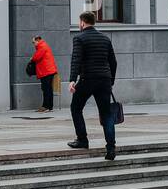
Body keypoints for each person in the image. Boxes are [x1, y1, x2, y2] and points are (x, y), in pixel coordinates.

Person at [67, 11, 118, 160]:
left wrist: (72, 80)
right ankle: (111, 148)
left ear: (82, 22)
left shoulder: (79, 38)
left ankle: (82, 140)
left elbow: (76, 60)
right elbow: (113, 62)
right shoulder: (105, 39)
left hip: (87, 79)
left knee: (76, 108)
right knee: (106, 113)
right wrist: (111, 80)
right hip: (104, 80)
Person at [30, 35, 59, 112]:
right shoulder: (44, 45)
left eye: (34, 42)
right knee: (49, 89)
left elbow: (36, 57)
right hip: (49, 70)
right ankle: (50, 106)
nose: (33, 44)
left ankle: (45, 106)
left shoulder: (41, 46)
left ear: (37, 40)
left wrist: (31, 58)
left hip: (46, 71)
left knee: (46, 89)